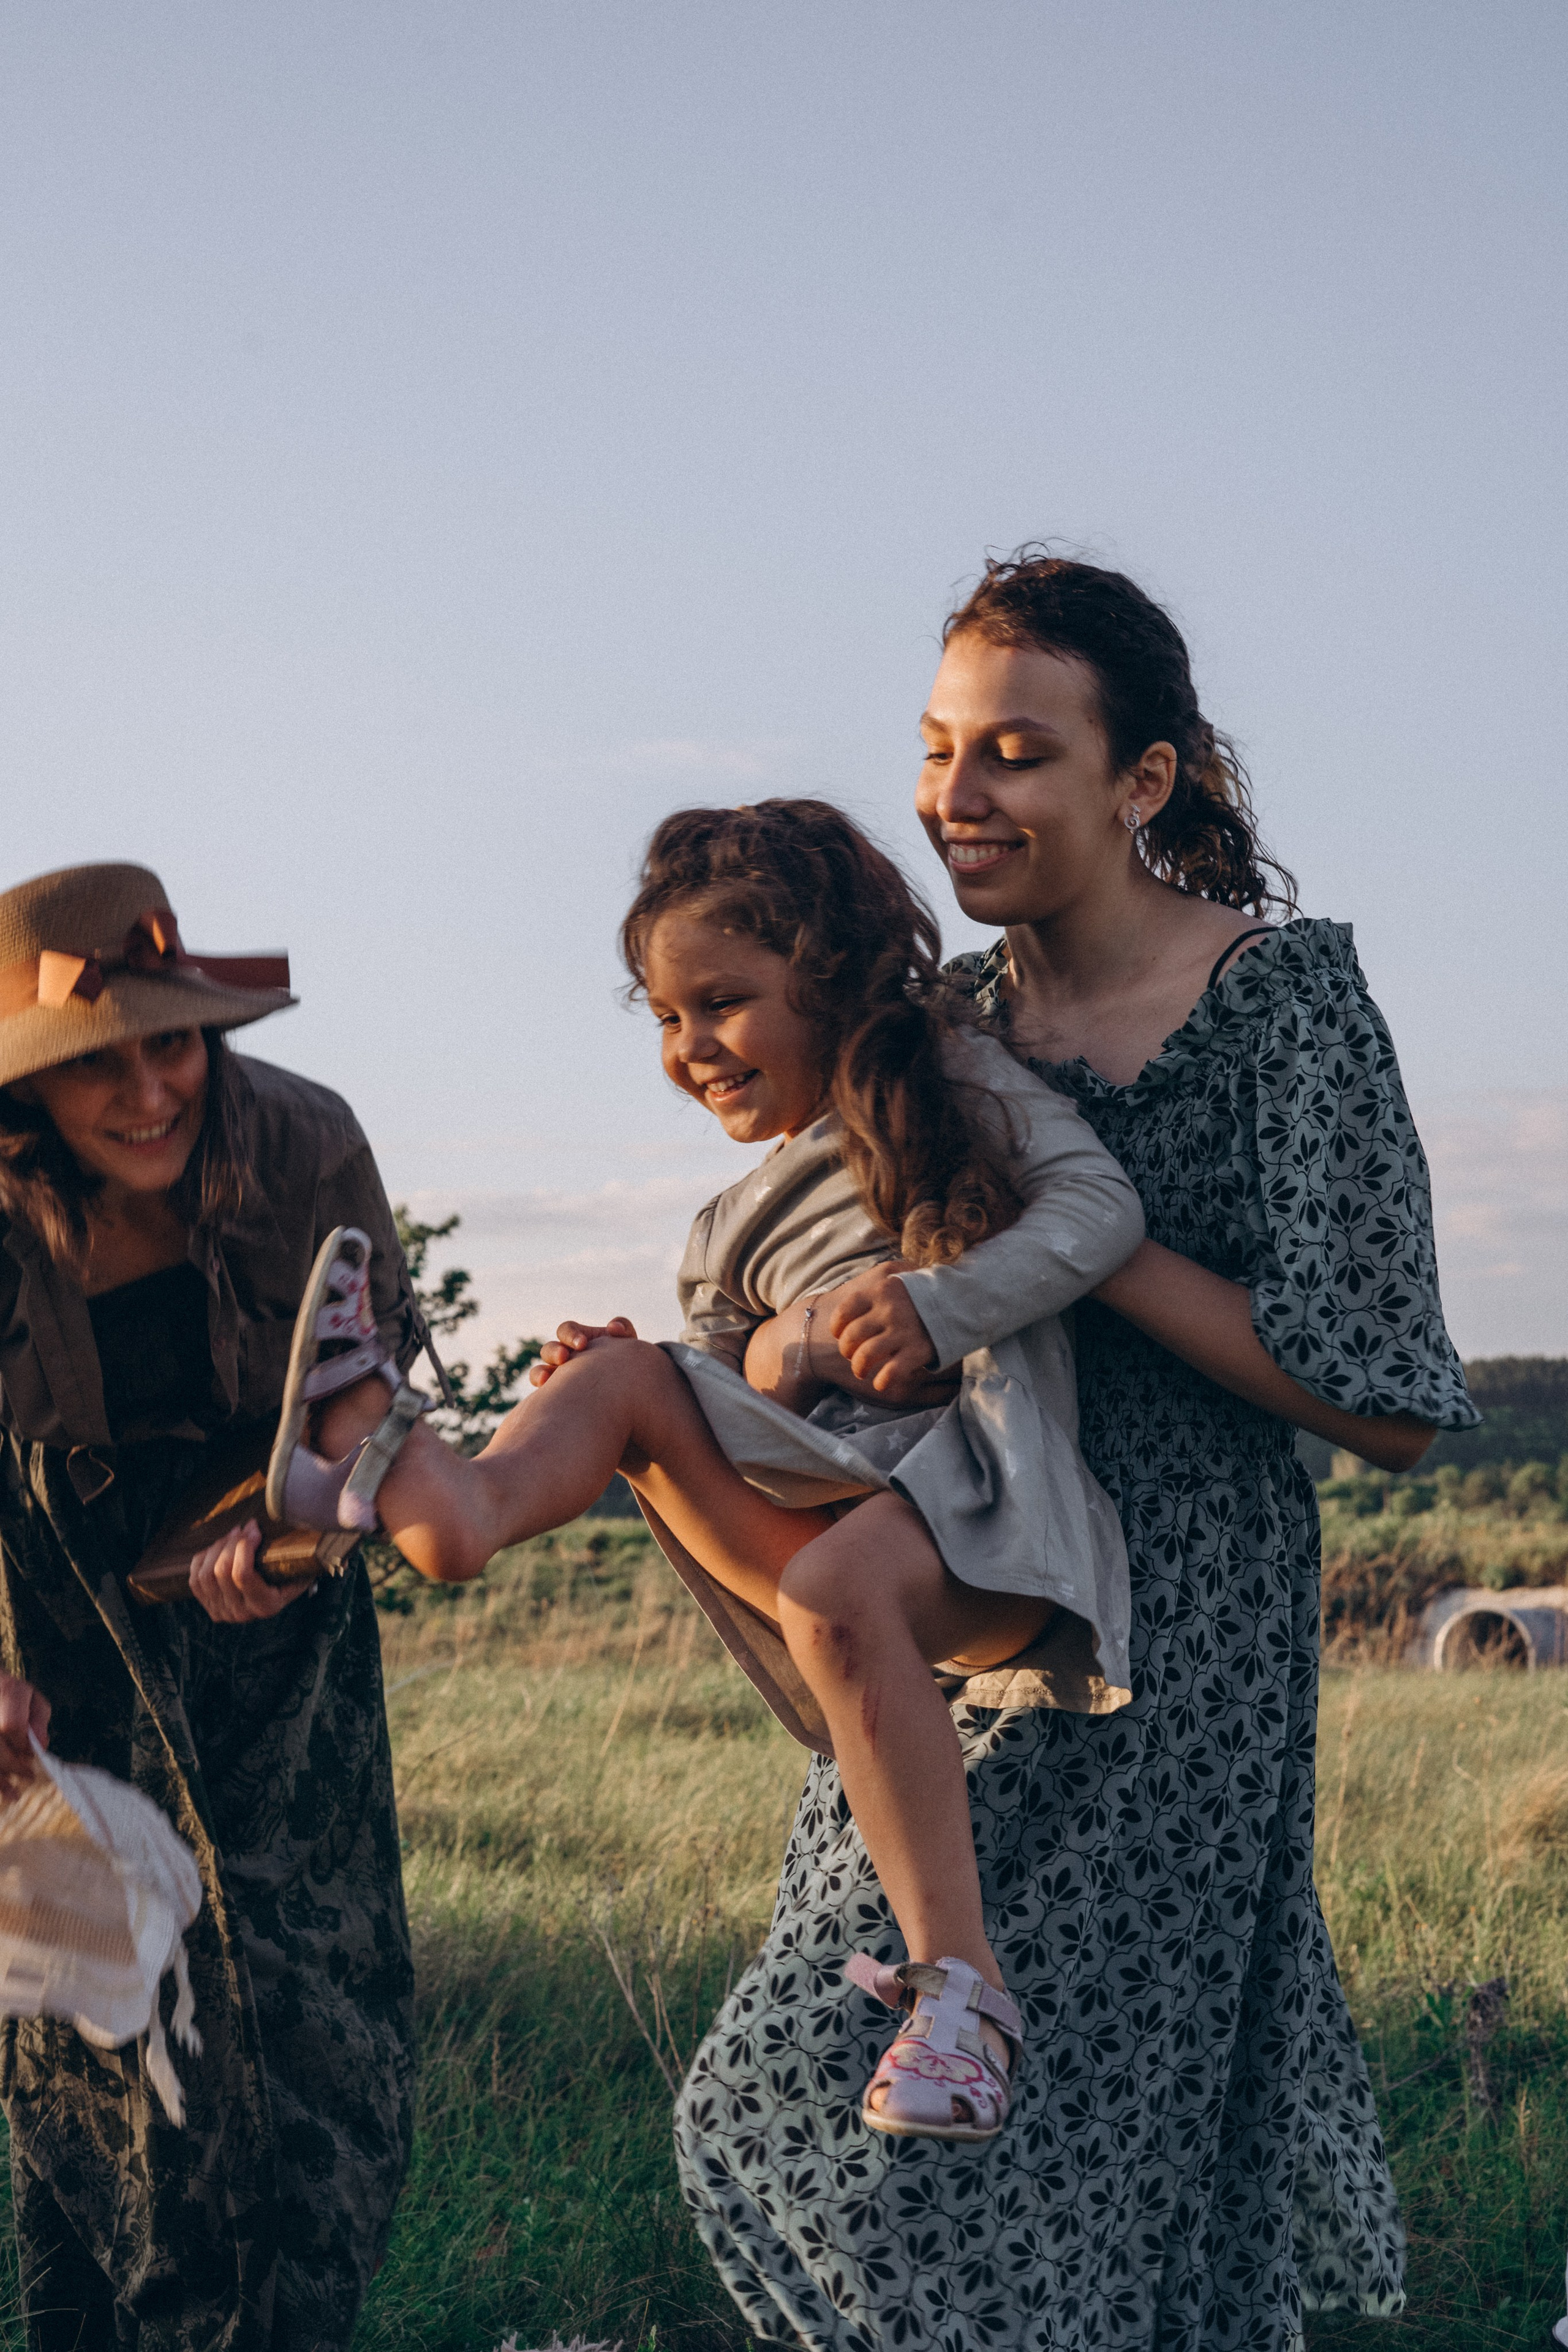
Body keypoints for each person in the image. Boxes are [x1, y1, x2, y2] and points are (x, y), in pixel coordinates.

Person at [671, 555, 1480, 2350]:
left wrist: (1075, 1248)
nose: (959, 799)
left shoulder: (1287, 1007)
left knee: (1097, 2145)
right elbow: (824, 1247)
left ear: (1144, 781)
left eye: (1019, 753)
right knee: (791, 2078)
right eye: (941, 748)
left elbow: (1390, 1401)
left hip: (1177, 1632)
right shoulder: (945, 1023)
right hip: (961, 1567)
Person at [244, 799, 1145, 2143]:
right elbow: (741, 1385)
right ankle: (441, 1502)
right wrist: (691, 1366)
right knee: (621, 1375)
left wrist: (940, 1306)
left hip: (978, 1514)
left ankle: (960, 1999)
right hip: (814, 1518)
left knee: (835, 1574)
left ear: (831, 977)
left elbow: (1101, 1208)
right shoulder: (726, 1223)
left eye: (719, 1002)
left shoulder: (953, 1082)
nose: (688, 1048)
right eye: (664, 1018)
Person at [0, 862, 440, 2350]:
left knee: (301, 1999)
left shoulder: (304, 1139)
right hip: (43, 1625)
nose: (146, 1092)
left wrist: (296, 1510)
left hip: (269, 1630)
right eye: (94, 1062)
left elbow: (362, 1381)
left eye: (171, 1044)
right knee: (87, 2010)